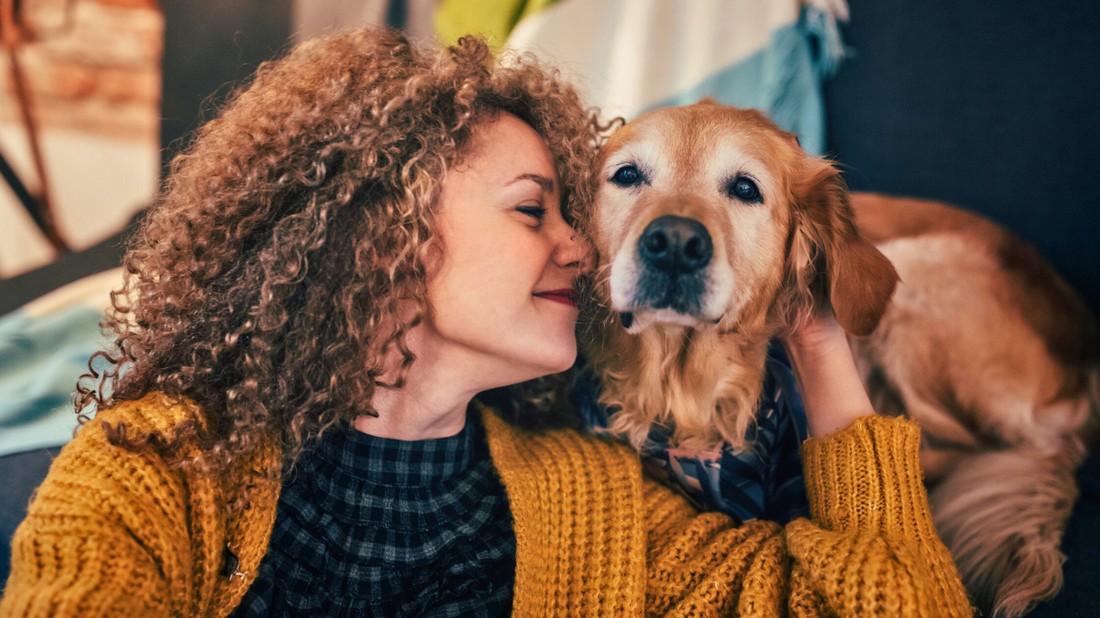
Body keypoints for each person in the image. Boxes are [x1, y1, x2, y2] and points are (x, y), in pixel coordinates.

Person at [0, 28, 972, 617]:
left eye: (570, 210)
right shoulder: (158, 468)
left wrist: (813, 333)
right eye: (531, 209)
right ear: (384, 238)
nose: (584, 249)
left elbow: (897, 604)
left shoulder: (595, 505)